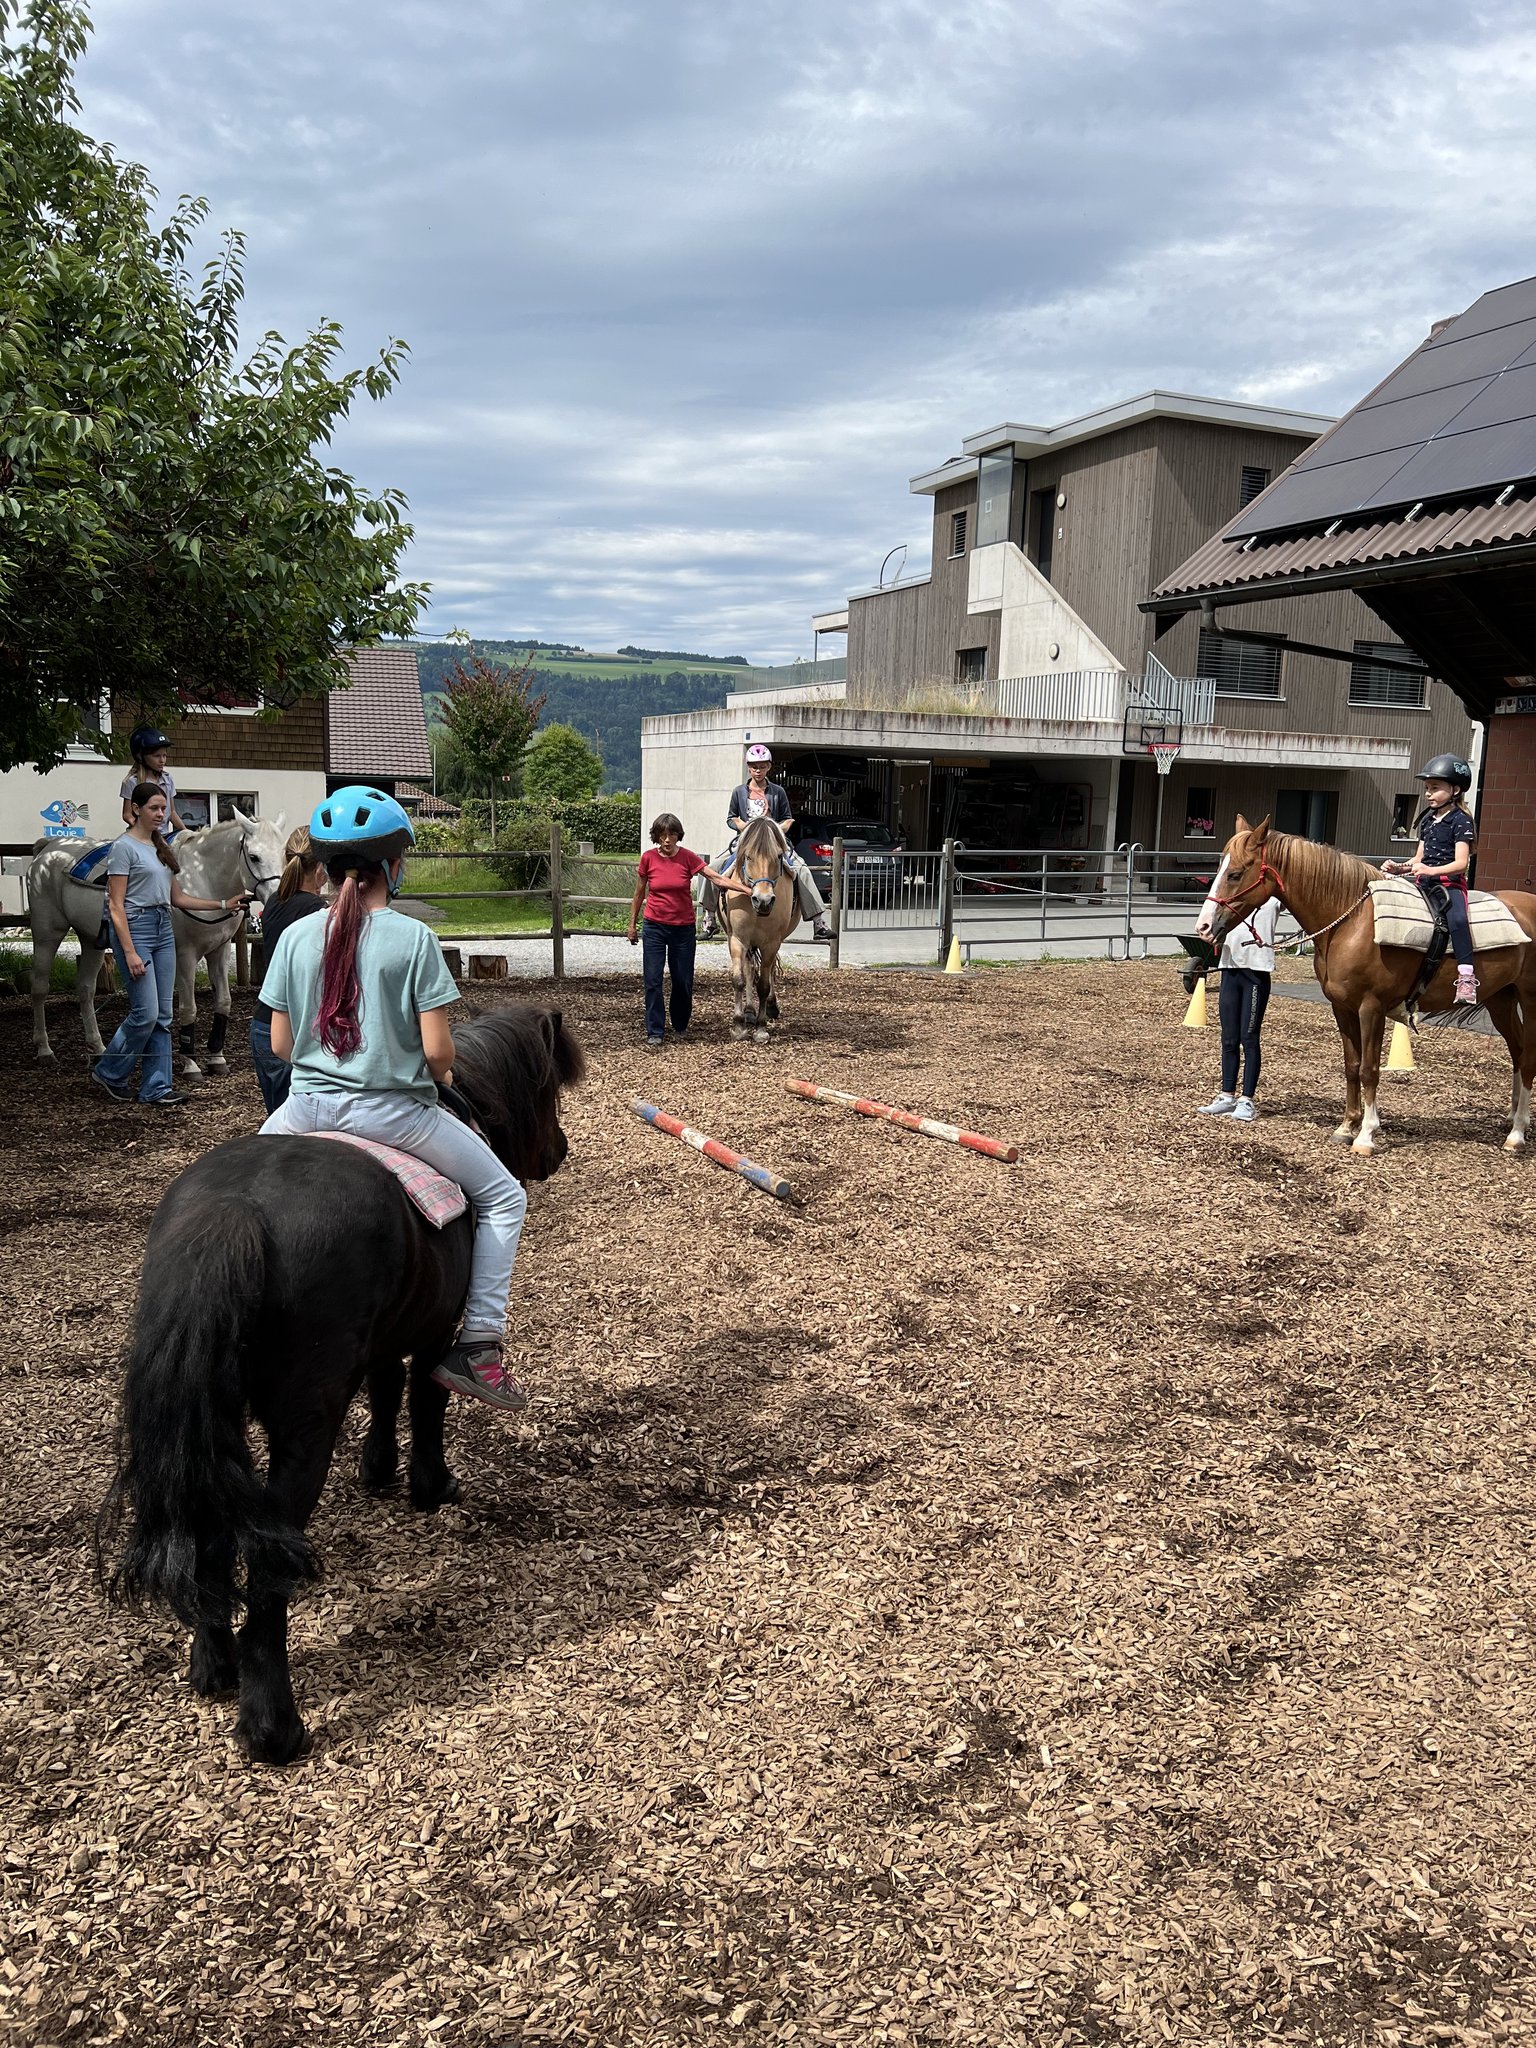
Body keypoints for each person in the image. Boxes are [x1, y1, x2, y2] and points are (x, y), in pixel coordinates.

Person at [259, 786, 529, 1411]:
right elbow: (438, 1054)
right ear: (393, 868)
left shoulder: (298, 935)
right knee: (504, 1195)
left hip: (301, 1108)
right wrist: (442, 1073)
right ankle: (480, 1346)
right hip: (392, 1114)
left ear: (324, 871)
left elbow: (280, 1045)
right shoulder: (412, 940)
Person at [91, 783, 252, 1108]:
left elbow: (177, 898)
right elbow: (116, 906)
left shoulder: (161, 847)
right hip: (136, 930)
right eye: (154, 808)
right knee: (145, 1013)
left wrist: (222, 902)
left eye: (163, 808)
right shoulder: (123, 848)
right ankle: (109, 1070)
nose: (161, 814)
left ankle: (157, 1086)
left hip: (164, 928)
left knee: (164, 1014)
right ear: (135, 809)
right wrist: (130, 950)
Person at [627, 814, 749, 1051]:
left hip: (682, 928)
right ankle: (655, 1030)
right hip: (654, 927)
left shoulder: (687, 858)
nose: (667, 839)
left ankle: (680, 1023)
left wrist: (747, 889)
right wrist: (632, 925)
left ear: (677, 835)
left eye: (672, 834)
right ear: (656, 837)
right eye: (662, 835)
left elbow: (716, 878)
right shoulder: (648, 859)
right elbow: (639, 894)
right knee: (652, 980)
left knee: (682, 980)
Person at [700, 744, 830, 939]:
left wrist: (778, 828)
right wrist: (742, 826)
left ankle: (818, 922)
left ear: (769, 766)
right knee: (715, 866)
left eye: (761, 766)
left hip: (773, 841)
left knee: (801, 869)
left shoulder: (778, 792)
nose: (757, 770)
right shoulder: (739, 792)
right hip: (746, 842)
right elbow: (731, 817)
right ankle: (709, 918)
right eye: (754, 766)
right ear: (748, 767)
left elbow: (788, 817)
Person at [1382, 754, 1479, 1004]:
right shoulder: (1427, 820)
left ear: (1455, 789)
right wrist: (1399, 868)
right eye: (1427, 788)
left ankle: (1467, 977)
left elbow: (1461, 863)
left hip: (1449, 885)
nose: (1428, 794)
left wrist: (1430, 871)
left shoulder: (1461, 821)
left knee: (1457, 919)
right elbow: (1418, 858)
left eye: (1435, 788)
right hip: (1424, 883)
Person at [1193, 856, 1281, 1123]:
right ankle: (1227, 1093)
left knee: (1249, 1038)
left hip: (1256, 971)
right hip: (1230, 968)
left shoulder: (1271, 896)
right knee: (1229, 1038)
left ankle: (1247, 1099)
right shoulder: (1230, 897)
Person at [249, 826, 327, 1113]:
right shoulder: (316, 911)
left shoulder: (273, 902)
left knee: (278, 1124)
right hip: (294, 1029)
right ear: (321, 869)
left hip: (263, 1025)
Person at [119, 727, 189, 874]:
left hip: (165, 837)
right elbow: (127, 814)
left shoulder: (168, 779)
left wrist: (186, 833)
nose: (162, 760)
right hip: (141, 837)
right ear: (141, 756)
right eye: (157, 756)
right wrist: (145, 830)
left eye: (164, 755)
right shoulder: (131, 782)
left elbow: (172, 812)